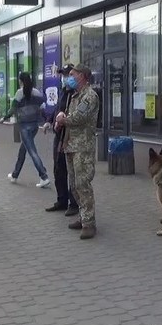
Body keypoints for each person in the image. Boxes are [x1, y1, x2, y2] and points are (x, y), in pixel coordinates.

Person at [55, 64, 100, 240]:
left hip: (83, 148)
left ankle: (89, 224)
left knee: (83, 185)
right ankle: (83, 217)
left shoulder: (89, 96)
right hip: (71, 146)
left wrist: (62, 119)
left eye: (72, 75)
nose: (69, 78)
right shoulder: (74, 96)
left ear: (82, 76)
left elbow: (79, 118)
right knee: (74, 185)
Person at [2, 72, 51, 188]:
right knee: (23, 151)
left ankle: (44, 176)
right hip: (34, 126)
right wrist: (47, 120)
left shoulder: (20, 93)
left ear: (21, 81)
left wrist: (4, 118)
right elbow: (43, 108)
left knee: (32, 152)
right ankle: (15, 175)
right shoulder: (36, 92)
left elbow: (13, 109)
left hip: (24, 126)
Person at [45, 64, 79, 216]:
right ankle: (62, 200)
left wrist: (64, 119)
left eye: (67, 75)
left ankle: (74, 203)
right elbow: (58, 108)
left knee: (72, 171)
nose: (64, 78)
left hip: (71, 137)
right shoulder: (64, 91)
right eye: (63, 76)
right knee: (58, 169)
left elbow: (78, 116)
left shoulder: (78, 94)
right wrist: (49, 120)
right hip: (59, 136)